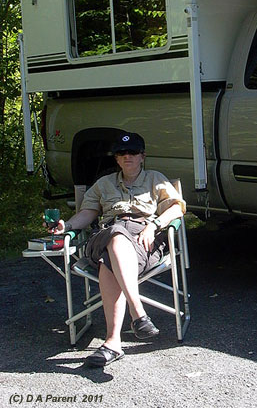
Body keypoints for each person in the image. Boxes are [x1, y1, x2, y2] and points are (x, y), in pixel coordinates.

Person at [46, 132, 186, 368]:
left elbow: (176, 209)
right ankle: (138, 314)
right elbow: (87, 213)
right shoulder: (104, 184)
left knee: (108, 262)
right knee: (116, 237)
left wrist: (154, 225)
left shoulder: (156, 179)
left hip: (143, 241)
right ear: (117, 159)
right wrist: (67, 226)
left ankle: (113, 343)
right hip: (107, 233)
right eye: (122, 153)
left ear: (142, 156)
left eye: (132, 152)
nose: (127, 156)